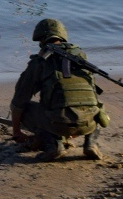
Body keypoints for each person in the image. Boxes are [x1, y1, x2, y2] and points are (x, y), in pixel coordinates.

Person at [10, 18, 108, 162]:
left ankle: (53, 146)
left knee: (26, 108)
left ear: (41, 40)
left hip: (59, 123)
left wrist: (16, 131)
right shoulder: (81, 57)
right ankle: (91, 143)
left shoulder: (39, 62)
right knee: (94, 104)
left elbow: (19, 101)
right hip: (89, 123)